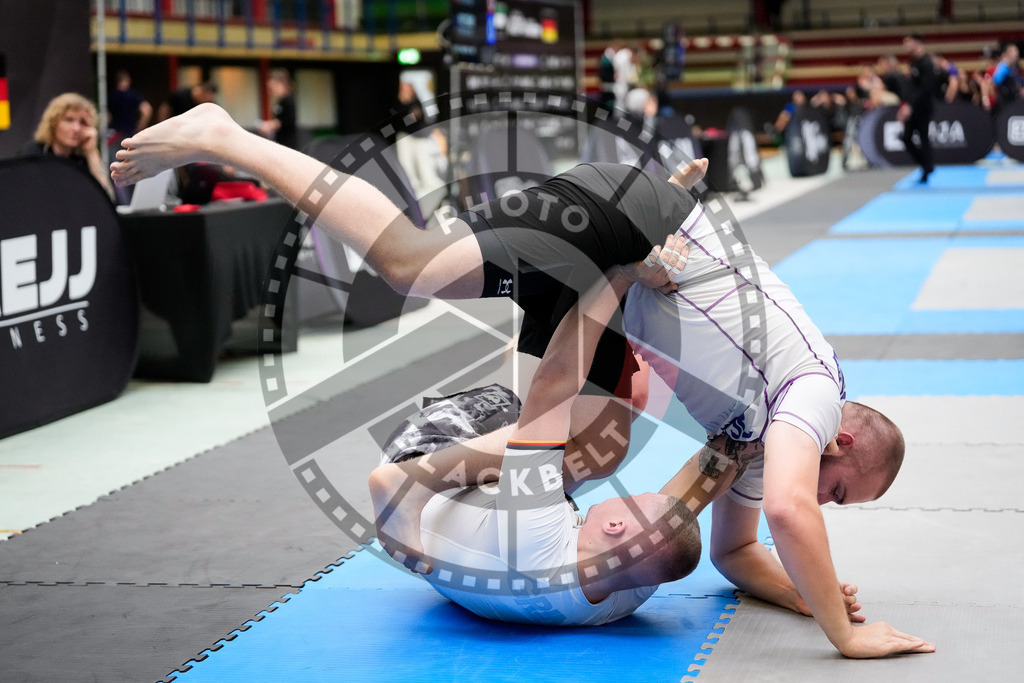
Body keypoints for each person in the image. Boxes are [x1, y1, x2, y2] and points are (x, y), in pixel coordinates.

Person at [109, 104, 933, 657]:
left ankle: (454, 443)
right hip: (635, 233)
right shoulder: (816, 397)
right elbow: (791, 509)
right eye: (841, 486)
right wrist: (847, 637)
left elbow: (741, 549)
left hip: (636, 268)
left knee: (591, 429)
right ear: (845, 437)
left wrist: (802, 593)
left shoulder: (768, 442)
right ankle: (225, 135)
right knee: (415, 265)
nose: (822, 500)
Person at [369, 262, 742, 625]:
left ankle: (409, 481)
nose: (626, 495)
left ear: (615, 526)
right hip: (483, 510)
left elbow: (554, 385)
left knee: (602, 445)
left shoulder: (535, 543)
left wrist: (618, 277)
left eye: (631, 500)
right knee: (626, 403)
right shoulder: (624, 584)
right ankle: (568, 289)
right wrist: (744, 442)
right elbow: (682, 508)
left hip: (432, 445)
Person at [19, 92, 115, 201]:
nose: (76, 129)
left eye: (83, 122)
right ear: (53, 123)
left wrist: (92, 152)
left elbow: (108, 200)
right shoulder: (34, 152)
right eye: (69, 120)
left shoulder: (82, 160)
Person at [897, 34, 938, 183]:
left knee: (923, 138)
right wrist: (904, 105)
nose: (905, 45)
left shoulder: (927, 62)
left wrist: (910, 106)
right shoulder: (913, 62)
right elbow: (911, 87)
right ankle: (927, 165)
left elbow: (925, 88)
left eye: (908, 42)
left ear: (918, 43)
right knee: (907, 138)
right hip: (912, 107)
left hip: (923, 107)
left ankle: (927, 168)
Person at [258, 68, 297, 150]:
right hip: (280, 141)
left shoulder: (288, 100)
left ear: (280, 84)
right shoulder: (280, 101)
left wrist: (271, 125)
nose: (271, 91)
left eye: (272, 88)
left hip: (288, 143)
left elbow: (289, 120)